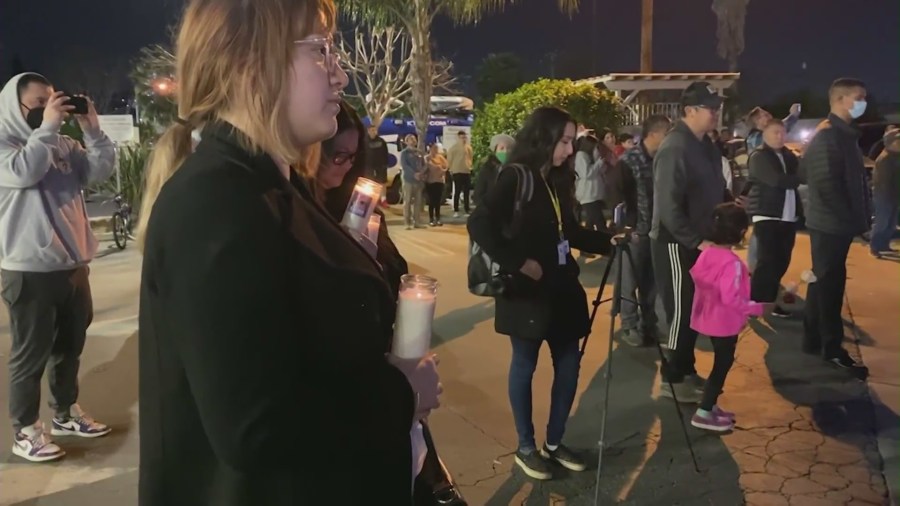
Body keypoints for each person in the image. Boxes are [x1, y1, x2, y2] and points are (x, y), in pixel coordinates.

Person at [135, 1, 441, 504]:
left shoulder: (273, 185)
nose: (340, 75)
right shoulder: (218, 201)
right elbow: (257, 428)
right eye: (320, 51)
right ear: (249, 62)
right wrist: (401, 394)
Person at [318, 102, 465, 506]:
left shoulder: (358, 202)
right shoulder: (303, 215)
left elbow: (396, 271)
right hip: (356, 393)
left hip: (393, 365)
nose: (345, 167)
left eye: (353, 157)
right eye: (336, 156)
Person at [468, 106, 611, 481]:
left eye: (571, 141)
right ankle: (526, 447)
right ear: (543, 138)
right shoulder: (517, 176)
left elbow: (572, 233)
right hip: (527, 293)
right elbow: (480, 223)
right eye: (563, 141)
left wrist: (613, 241)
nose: (568, 150)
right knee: (525, 365)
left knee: (568, 363)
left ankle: (554, 442)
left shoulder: (557, 179)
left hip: (563, 288)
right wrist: (519, 261)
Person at [0, 73, 116, 462]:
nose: (48, 109)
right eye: (37, 103)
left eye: (52, 100)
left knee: (69, 347)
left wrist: (93, 131)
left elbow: (99, 171)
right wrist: (46, 128)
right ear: (15, 108)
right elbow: (24, 172)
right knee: (30, 354)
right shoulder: (5, 145)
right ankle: (26, 430)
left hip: (71, 264)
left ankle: (65, 414)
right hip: (27, 269)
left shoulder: (62, 144)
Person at [651, 81, 730, 404]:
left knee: (696, 310)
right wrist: (696, 241)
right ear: (690, 111)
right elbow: (668, 207)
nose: (716, 113)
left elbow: (714, 190)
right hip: (676, 243)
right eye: (710, 108)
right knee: (681, 312)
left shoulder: (705, 145)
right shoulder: (675, 147)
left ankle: (685, 370)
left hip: (701, 242)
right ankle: (672, 377)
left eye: (716, 107)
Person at [800, 77, 871, 372]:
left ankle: (813, 338)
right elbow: (827, 186)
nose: (863, 103)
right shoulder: (828, 136)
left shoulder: (844, 135)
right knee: (829, 286)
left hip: (835, 224)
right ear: (841, 100)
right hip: (830, 225)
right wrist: (853, 221)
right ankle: (831, 347)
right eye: (858, 97)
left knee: (821, 281)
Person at [688, 203, 765, 432]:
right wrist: (759, 308)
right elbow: (732, 299)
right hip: (724, 322)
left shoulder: (707, 253)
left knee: (720, 363)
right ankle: (704, 411)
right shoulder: (732, 264)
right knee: (722, 365)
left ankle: (710, 408)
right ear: (742, 232)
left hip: (707, 316)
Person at [617, 114, 672, 347]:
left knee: (652, 283)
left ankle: (648, 325)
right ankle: (629, 325)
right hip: (635, 234)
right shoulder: (628, 160)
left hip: (656, 231)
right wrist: (627, 229)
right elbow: (620, 198)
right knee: (629, 282)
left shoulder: (662, 159)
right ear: (653, 134)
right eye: (666, 133)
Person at [747, 119, 802, 317]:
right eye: (775, 133)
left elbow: (799, 174)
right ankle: (756, 302)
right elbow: (778, 180)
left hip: (788, 216)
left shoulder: (789, 155)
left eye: (782, 133)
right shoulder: (759, 156)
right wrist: (802, 178)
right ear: (765, 134)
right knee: (766, 260)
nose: (779, 136)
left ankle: (769, 300)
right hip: (766, 214)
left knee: (781, 261)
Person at [870, 130, 900, 258]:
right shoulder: (884, 159)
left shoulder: (895, 156)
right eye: (897, 140)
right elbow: (884, 182)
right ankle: (875, 247)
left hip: (893, 196)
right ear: (891, 142)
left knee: (891, 223)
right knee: (882, 222)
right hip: (884, 196)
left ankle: (884, 245)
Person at [573, 134, 606, 233]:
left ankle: (586, 246)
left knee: (591, 222)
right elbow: (586, 174)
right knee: (599, 221)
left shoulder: (590, 156)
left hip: (594, 194)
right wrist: (598, 163)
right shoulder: (581, 156)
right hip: (587, 195)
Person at [472, 133, 515, 206]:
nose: (505, 151)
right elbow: (478, 194)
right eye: (501, 148)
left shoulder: (516, 169)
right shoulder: (488, 169)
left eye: (508, 148)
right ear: (495, 151)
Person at [400, 133, 426, 229]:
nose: (413, 140)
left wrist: (422, 173)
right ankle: (407, 222)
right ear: (407, 142)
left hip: (418, 181)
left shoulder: (419, 153)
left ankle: (417, 222)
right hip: (408, 180)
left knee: (418, 202)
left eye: (414, 139)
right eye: (411, 139)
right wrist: (414, 174)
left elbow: (423, 164)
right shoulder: (404, 153)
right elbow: (404, 166)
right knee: (407, 201)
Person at [447, 130, 473, 217]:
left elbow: (470, 158)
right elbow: (449, 160)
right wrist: (451, 169)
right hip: (457, 171)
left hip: (466, 171)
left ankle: (466, 209)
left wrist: (469, 166)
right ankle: (456, 210)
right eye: (461, 137)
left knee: (466, 192)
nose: (463, 139)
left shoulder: (468, 147)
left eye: (464, 137)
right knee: (457, 191)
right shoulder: (453, 148)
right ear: (458, 138)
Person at [424, 143, 448, 226]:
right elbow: (429, 166)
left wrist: (442, 170)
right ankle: (431, 219)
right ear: (430, 149)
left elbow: (446, 166)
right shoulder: (427, 158)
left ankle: (438, 218)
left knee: (438, 201)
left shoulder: (440, 157)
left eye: (437, 148)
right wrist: (438, 167)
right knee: (431, 201)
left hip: (439, 181)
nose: (435, 150)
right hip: (430, 182)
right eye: (434, 148)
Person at [366, 123, 390, 206]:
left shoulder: (381, 141)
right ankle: (371, 201)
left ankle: (383, 200)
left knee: (382, 183)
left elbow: (385, 153)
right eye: (372, 130)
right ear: (368, 131)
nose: (374, 131)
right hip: (369, 167)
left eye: (375, 130)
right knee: (370, 183)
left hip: (381, 166)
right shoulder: (364, 141)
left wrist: (386, 164)